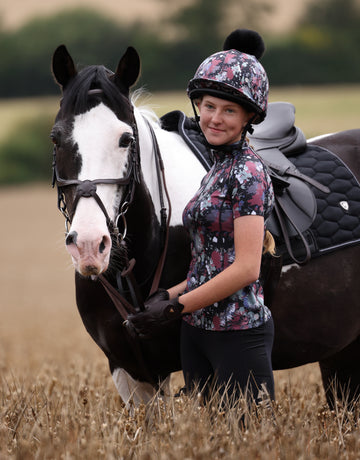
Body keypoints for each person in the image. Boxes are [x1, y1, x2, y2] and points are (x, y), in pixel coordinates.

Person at [128, 29, 275, 404]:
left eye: (229, 110)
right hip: (196, 332)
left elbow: (246, 269)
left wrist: (176, 307)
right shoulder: (215, 169)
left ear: (248, 118)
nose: (214, 118)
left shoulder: (248, 173)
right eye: (209, 106)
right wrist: (166, 296)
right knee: (207, 442)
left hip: (237, 334)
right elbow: (205, 266)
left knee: (248, 442)